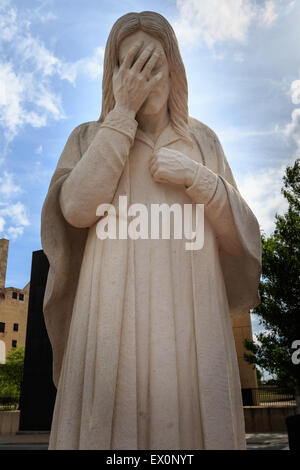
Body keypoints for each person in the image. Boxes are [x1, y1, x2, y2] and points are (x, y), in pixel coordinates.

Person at [41, 11, 261, 450]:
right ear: (116, 74)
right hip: (110, 311)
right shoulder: (89, 137)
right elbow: (77, 208)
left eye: (154, 64)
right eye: (132, 65)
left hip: (191, 313)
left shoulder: (203, 142)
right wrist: (121, 118)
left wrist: (197, 178)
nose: (145, 78)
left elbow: (244, 235)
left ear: (174, 69)